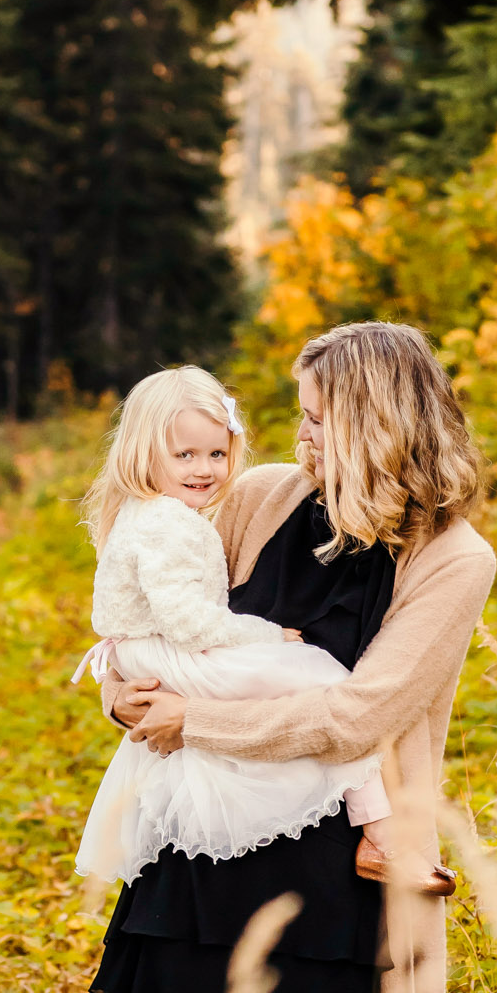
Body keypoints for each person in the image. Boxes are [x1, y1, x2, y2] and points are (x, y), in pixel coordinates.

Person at [89, 322, 495, 993]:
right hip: (215, 817)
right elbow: (162, 609)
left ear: (377, 424)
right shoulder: (266, 498)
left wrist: (195, 718)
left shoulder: (453, 558)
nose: (296, 438)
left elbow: (361, 715)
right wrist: (122, 687)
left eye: (316, 420)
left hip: (337, 841)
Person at [72, 363, 391, 887]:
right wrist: (268, 637)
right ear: (142, 455)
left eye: (217, 453)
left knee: (305, 686)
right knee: (321, 677)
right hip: (169, 652)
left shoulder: (162, 513)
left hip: (152, 652)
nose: (205, 469)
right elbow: (188, 622)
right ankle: (378, 830)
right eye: (185, 455)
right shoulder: (166, 524)